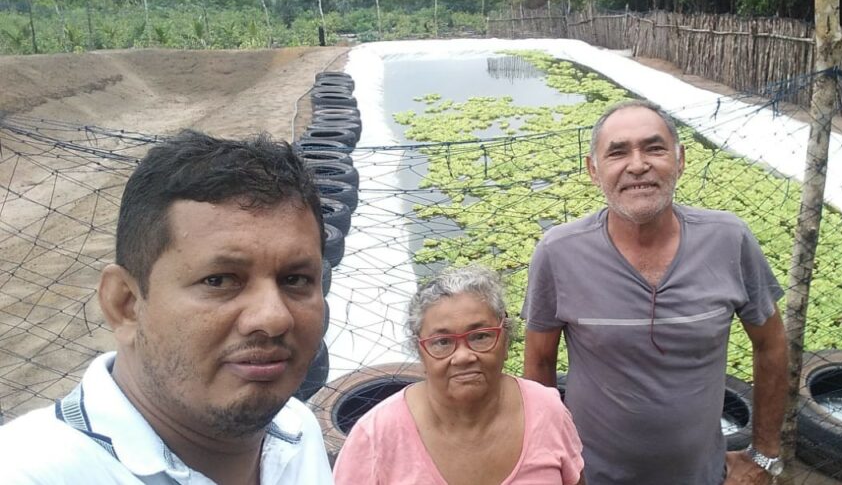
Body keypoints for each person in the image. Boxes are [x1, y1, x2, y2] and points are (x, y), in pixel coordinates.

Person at [0, 130, 333, 484]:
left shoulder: (297, 431)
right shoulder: (28, 472)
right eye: (219, 280)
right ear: (125, 304)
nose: (273, 317)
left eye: (295, 280)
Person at [522, 100, 788, 485]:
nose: (637, 165)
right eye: (618, 152)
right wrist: (551, 463)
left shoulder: (730, 240)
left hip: (703, 476)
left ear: (680, 160)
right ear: (593, 170)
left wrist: (764, 453)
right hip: (590, 476)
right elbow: (539, 365)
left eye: (654, 148)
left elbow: (772, 344)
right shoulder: (558, 253)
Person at [333, 265, 585, 485]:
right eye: (442, 342)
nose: (463, 356)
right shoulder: (377, 434)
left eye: (480, 336)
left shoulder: (547, 410)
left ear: (505, 339)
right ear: (420, 351)